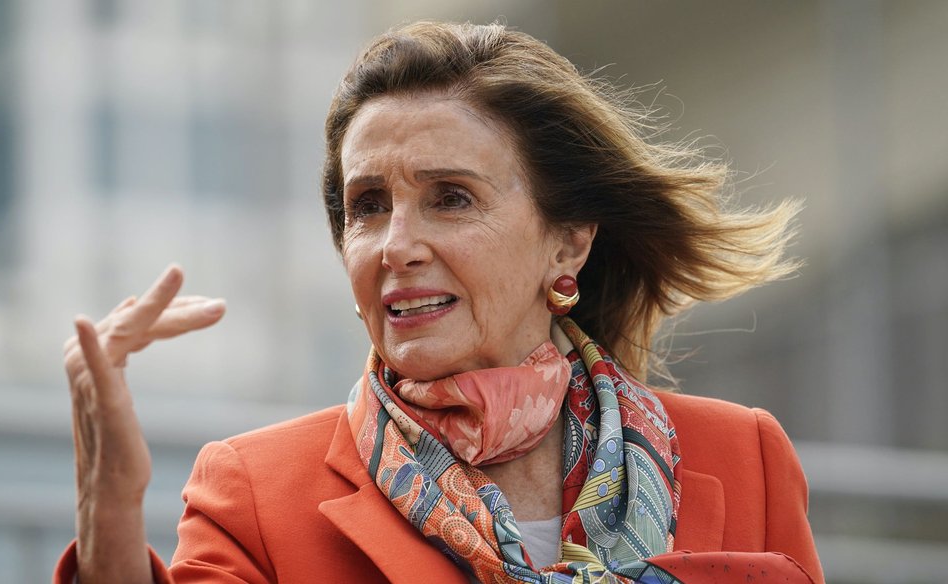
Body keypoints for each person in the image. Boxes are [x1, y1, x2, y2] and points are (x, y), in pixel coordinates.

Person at [55, 21, 823, 584]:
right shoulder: (256, 491)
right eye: (368, 206)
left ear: (568, 243)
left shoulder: (743, 456)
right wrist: (110, 512)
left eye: (451, 198)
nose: (396, 245)